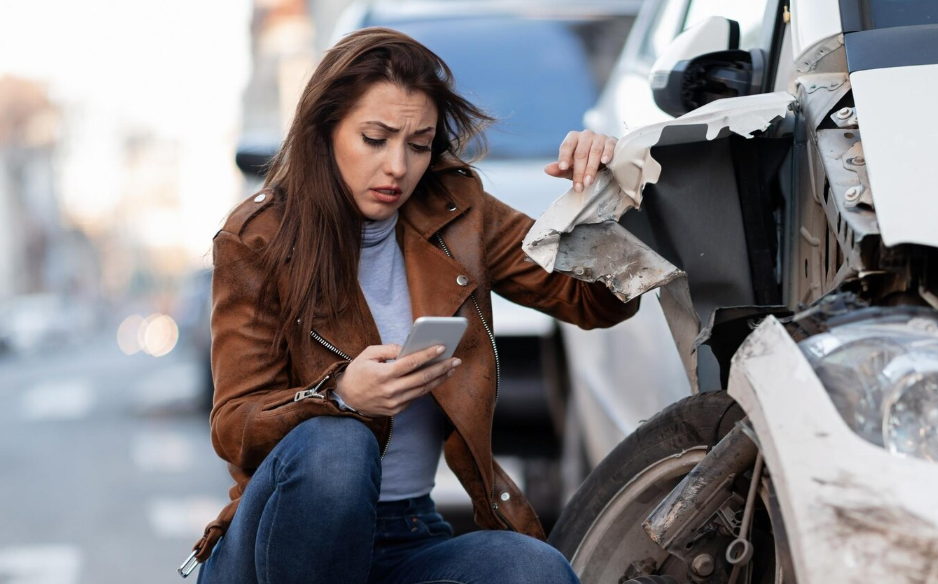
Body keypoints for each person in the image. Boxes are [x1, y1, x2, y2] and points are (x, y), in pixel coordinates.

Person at [189, 27, 639, 583]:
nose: (398, 168)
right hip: (277, 545)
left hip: (407, 536)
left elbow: (594, 302)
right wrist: (340, 396)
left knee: (534, 573)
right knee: (339, 446)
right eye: (375, 139)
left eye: (419, 144)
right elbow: (233, 425)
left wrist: (603, 196)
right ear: (325, 131)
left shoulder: (456, 209)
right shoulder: (258, 237)